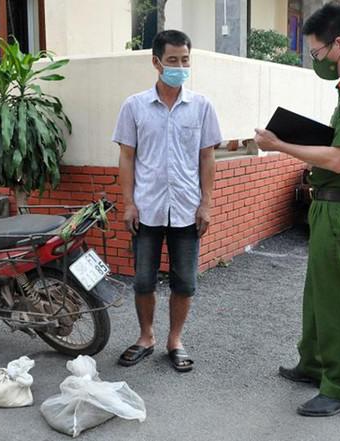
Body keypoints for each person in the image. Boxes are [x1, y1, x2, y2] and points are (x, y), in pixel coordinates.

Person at [254, 3, 340, 416]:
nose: (318, 62)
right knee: (318, 293)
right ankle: (314, 364)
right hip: (332, 206)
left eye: (317, 54)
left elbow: (338, 159)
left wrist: (280, 144)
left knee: (336, 301)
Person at [112, 30, 222, 372]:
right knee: (143, 279)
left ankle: (175, 339)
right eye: (172, 60)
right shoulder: (134, 106)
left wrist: (206, 203)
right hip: (147, 208)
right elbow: (127, 158)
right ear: (156, 62)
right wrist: (128, 202)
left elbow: (207, 159)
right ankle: (146, 337)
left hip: (187, 209)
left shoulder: (202, 106)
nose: (179, 66)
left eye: (185, 60)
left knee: (185, 281)